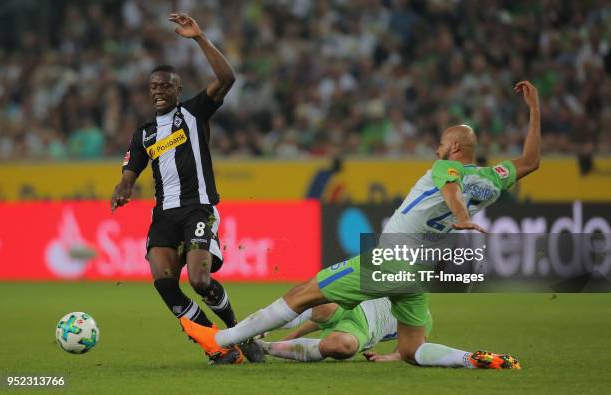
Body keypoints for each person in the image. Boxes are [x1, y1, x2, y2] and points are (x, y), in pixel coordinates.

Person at [179, 80, 540, 369]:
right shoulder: (492, 179)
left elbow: (450, 190)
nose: (436, 149)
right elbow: (530, 161)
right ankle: (470, 359)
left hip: (393, 257)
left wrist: (461, 218)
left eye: (442, 144)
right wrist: (534, 109)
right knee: (413, 349)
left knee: (303, 294)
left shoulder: (446, 169)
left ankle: (222, 339)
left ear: (455, 146)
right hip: (420, 268)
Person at [110, 13, 262, 364]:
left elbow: (227, 77)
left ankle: (238, 330)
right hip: (164, 214)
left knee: (199, 279)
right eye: (154, 87)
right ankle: (215, 344)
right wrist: (122, 188)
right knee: (164, 282)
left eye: (166, 85)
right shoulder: (144, 133)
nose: (159, 91)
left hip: (197, 208)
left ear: (178, 90)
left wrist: (199, 38)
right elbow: (130, 173)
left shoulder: (194, 113)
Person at [256, 298, 399, 362]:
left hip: (362, 329)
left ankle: (263, 348)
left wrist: (390, 357)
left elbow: (414, 346)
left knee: (343, 345)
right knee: (319, 303)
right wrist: (293, 335)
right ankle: (253, 332)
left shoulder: (419, 311)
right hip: (349, 306)